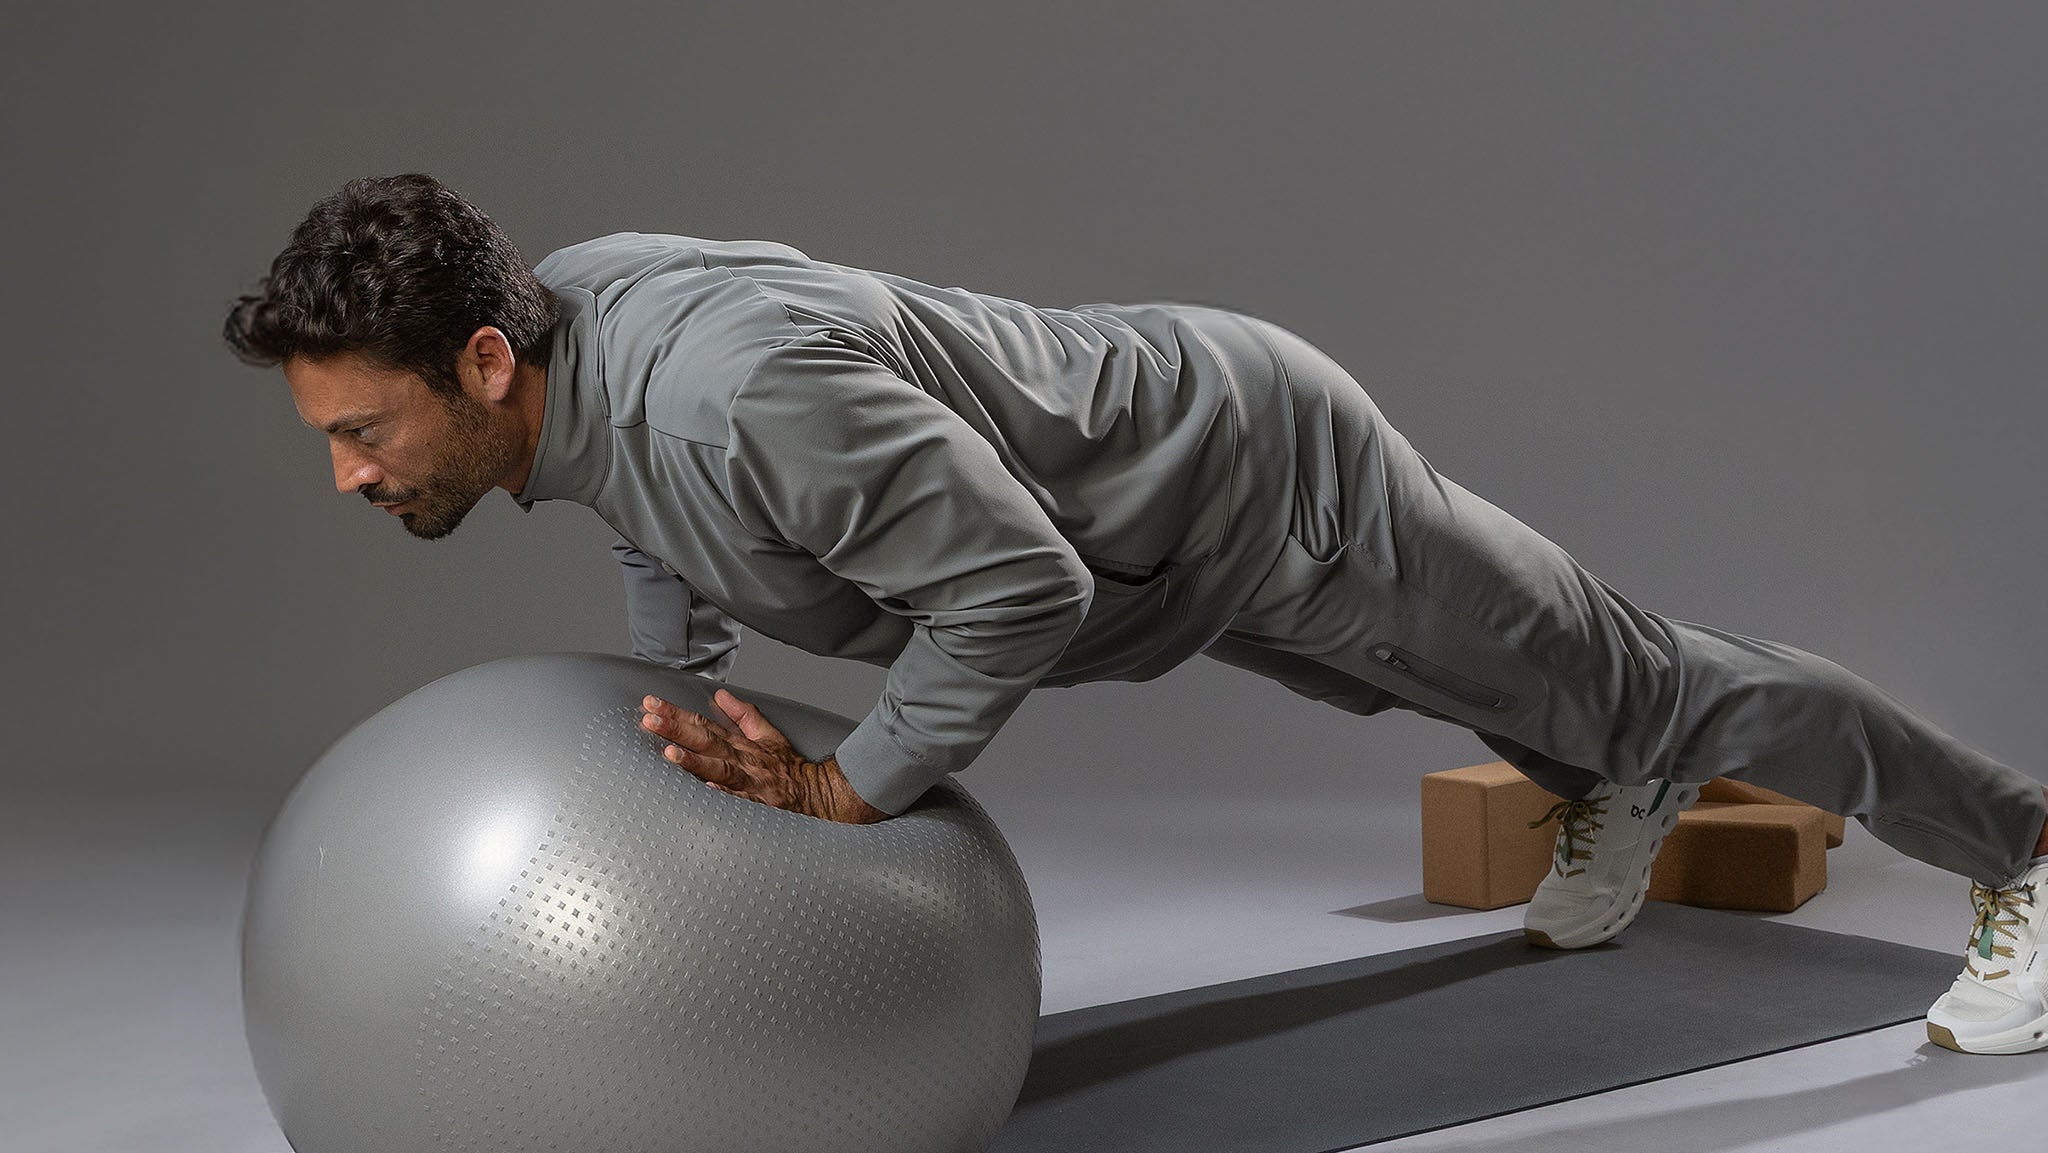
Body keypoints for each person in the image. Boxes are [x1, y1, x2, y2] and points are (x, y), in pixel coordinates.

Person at [224, 172, 2048, 1056]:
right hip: (1191, 523)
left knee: (1656, 683)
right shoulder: (581, 322)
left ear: (481, 358)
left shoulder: (728, 394)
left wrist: (855, 790)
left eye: (362, 431)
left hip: (1263, 481)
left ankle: (2023, 847)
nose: (348, 475)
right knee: (1422, 681)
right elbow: (652, 512)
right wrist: (674, 695)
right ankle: (1608, 788)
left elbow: (1019, 580)